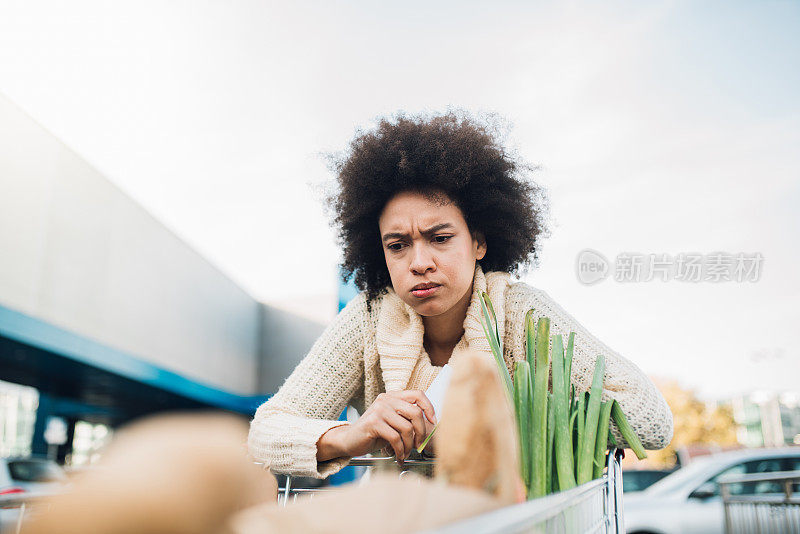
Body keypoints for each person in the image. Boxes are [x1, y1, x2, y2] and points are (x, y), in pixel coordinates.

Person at [247, 109, 674, 479]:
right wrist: (351, 434)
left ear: (480, 242)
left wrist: (499, 427)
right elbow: (266, 432)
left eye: (440, 238)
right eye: (397, 245)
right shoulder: (368, 317)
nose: (418, 262)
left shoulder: (520, 314)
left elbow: (649, 417)